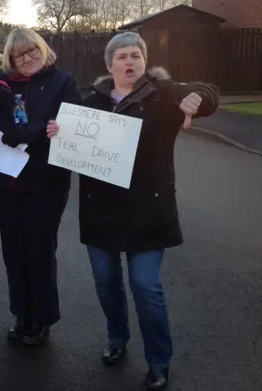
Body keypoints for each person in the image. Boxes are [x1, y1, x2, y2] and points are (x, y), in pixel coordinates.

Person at [47, 31, 219, 389]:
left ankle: (159, 361)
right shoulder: (91, 103)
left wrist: (197, 100)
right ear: (109, 65)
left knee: (146, 286)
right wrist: (58, 133)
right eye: (122, 56)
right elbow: (71, 141)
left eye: (135, 56)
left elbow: (206, 92)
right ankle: (117, 339)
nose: (129, 62)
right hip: (101, 211)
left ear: (144, 62)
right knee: (107, 284)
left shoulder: (165, 95)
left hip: (147, 211)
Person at [0, 27, 80, 346]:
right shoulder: (7, 80)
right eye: (19, 54)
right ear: (11, 58)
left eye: (32, 50)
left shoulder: (63, 81)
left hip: (45, 182)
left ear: (43, 49)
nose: (28, 58)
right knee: (13, 250)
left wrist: (30, 133)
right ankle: (21, 313)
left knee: (39, 250)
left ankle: (42, 318)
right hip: (7, 180)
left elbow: (69, 125)